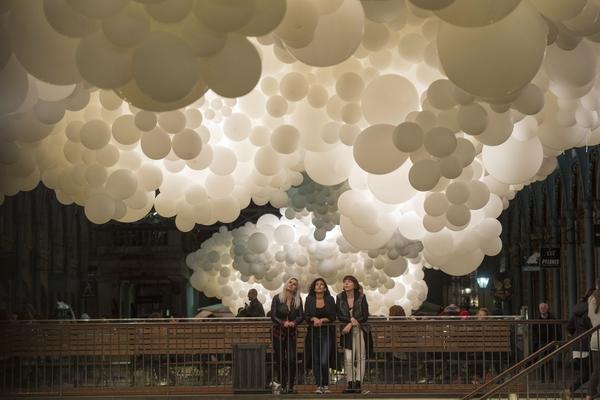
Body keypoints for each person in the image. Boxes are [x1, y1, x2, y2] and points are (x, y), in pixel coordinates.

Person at [337, 275, 372, 394]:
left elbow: (365, 315)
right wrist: (350, 322)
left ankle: (358, 383)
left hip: (360, 329)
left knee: (360, 356)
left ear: (354, 285)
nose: (346, 284)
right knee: (348, 358)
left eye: (349, 282)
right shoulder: (339, 297)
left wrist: (352, 323)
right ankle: (350, 383)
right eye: (344, 282)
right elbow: (339, 315)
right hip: (346, 331)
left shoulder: (361, 297)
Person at [271, 277, 303, 394]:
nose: (291, 285)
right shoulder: (277, 298)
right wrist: (283, 322)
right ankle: (283, 385)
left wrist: (294, 322)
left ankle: (291, 385)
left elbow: (301, 316)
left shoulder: (298, 300)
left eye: (294, 284)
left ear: (296, 288)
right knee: (280, 359)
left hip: (291, 333)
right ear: (286, 284)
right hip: (278, 333)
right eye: (290, 282)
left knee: (292, 358)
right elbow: (273, 315)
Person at [304, 278, 336, 394]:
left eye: (321, 284)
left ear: (325, 288)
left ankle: (326, 385)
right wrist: (313, 318)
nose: (319, 286)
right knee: (316, 360)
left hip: (326, 332)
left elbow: (333, 316)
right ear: (314, 287)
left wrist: (322, 319)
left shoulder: (330, 299)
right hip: (313, 333)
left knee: (324, 360)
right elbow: (306, 316)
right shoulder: (309, 299)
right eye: (317, 284)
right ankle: (319, 385)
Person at [564, 288, 594, 398]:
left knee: (588, 373)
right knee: (590, 373)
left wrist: (576, 335)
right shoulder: (589, 310)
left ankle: (573, 391)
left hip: (577, 345)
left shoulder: (577, 310)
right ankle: (585, 393)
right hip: (586, 345)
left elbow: (569, 326)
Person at [588, 280, 600, 400]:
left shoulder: (591, 300)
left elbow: (590, 317)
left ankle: (589, 394)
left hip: (595, 338)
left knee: (596, 370)